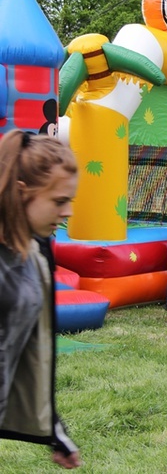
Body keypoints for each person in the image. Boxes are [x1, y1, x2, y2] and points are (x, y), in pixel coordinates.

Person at [0, 130, 81, 468]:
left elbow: (31, 352)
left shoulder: (33, 257)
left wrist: (53, 429)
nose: (68, 212)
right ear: (23, 193)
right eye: (59, 201)